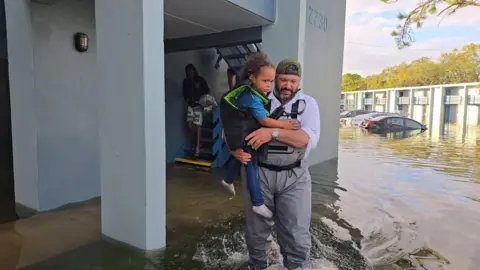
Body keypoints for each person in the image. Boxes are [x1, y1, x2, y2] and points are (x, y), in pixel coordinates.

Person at [229, 58, 320, 269]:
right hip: (259, 173)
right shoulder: (255, 98)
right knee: (256, 233)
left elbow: (307, 139)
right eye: (283, 80)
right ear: (274, 79)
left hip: (294, 177)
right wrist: (234, 150)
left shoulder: (308, 104)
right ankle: (258, 265)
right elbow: (231, 126)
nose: (288, 85)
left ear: (299, 82)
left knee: (296, 234)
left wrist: (273, 132)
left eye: (293, 81)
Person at [219, 52, 298, 219]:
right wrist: (284, 125)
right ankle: (257, 203)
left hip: (239, 129)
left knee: (242, 155)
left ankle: (228, 180)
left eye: (271, 81)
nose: (268, 85)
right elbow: (264, 121)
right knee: (251, 165)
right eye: (265, 81)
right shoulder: (253, 97)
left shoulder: (248, 90)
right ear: (252, 77)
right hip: (240, 131)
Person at [182, 64, 210, 156]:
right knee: (190, 124)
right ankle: (196, 142)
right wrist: (187, 99)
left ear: (194, 71)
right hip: (190, 105)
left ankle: (197, 147)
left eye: (191, 71)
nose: (189, 73)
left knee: (198, 126)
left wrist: (205, 103)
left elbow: (207, 91)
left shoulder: (200, 80)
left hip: (199, 105)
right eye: (188, 72)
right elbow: (184, 93)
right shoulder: (185, 82)